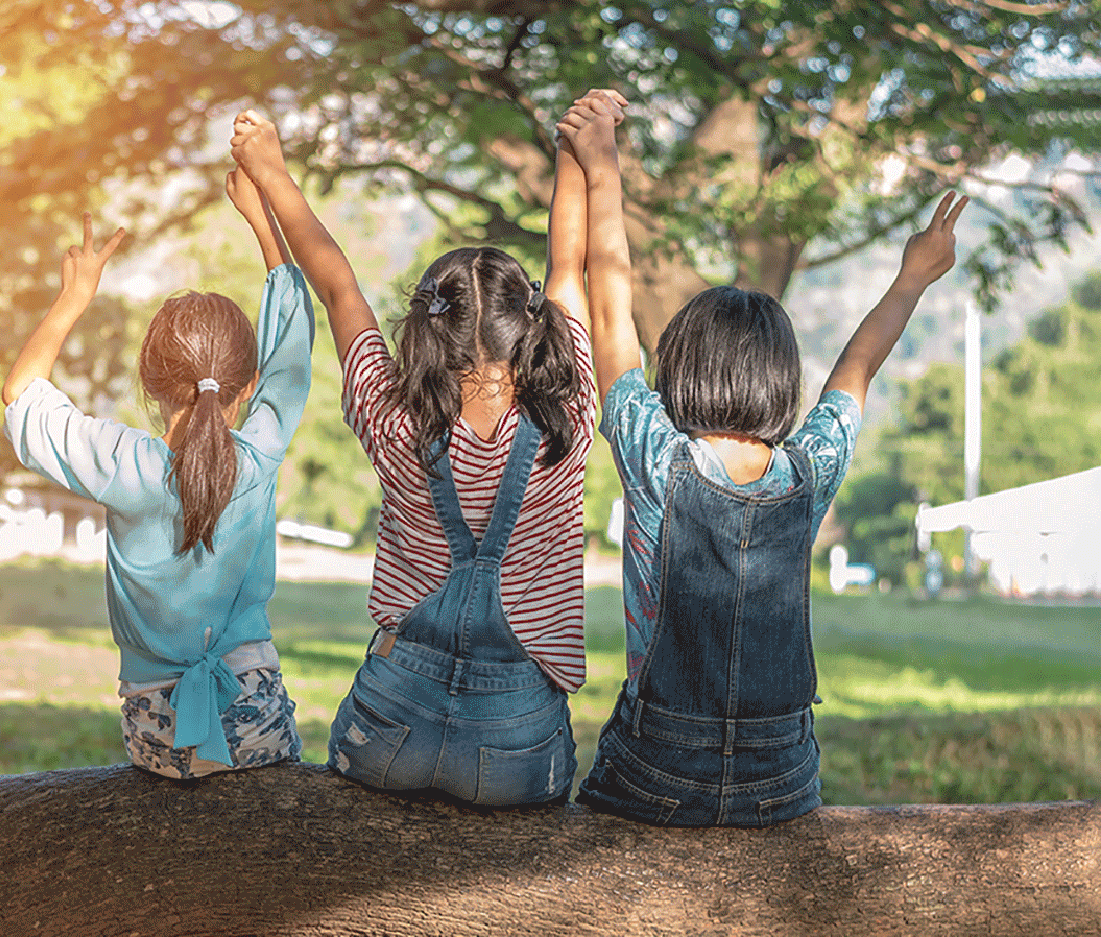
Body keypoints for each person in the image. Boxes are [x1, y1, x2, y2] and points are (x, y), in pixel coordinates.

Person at [560, 90, 970, 826]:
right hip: (779, 778)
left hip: (659, 766)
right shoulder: (807, 476)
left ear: (680, 369)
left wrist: (602, 164)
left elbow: (610, 306)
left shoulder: (656, 459)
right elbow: (858, 368)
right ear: (781, 380)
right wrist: (913, 276)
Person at [230, 97, 616, 805]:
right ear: (528, 326)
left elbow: (338, 287)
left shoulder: (392, 417)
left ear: (426, 328)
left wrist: (271, 171)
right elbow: (571, 261)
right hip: (516, 742)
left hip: (389, 728)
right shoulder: (570, 412)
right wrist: (574, 149)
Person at [0, 170, 314, 779]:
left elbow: (21, 397)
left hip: (154, 733)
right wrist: (263, 223)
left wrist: (74, 298)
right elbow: (292, 357)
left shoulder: (123, 465)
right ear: (246, 388)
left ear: (150, 384)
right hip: (255, 718)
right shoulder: (260, 454)